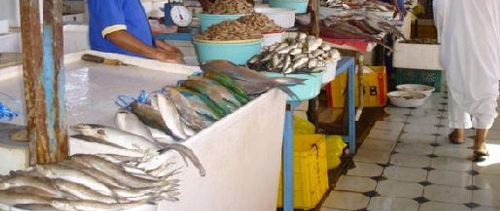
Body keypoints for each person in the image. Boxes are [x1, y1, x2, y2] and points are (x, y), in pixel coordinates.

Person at [433, 0, 500, 161]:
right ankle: (480, 142)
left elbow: (440, 6)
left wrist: (442, 31)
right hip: (489, 36)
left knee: (458, 77)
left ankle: (458, 130)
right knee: (487, 83)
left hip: (458, 34)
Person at [86, 0, 185, 64]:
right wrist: (160, 55)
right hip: (117, 68)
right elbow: (115, 34)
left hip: (133, 62)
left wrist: (161, 45)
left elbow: (133, 29)